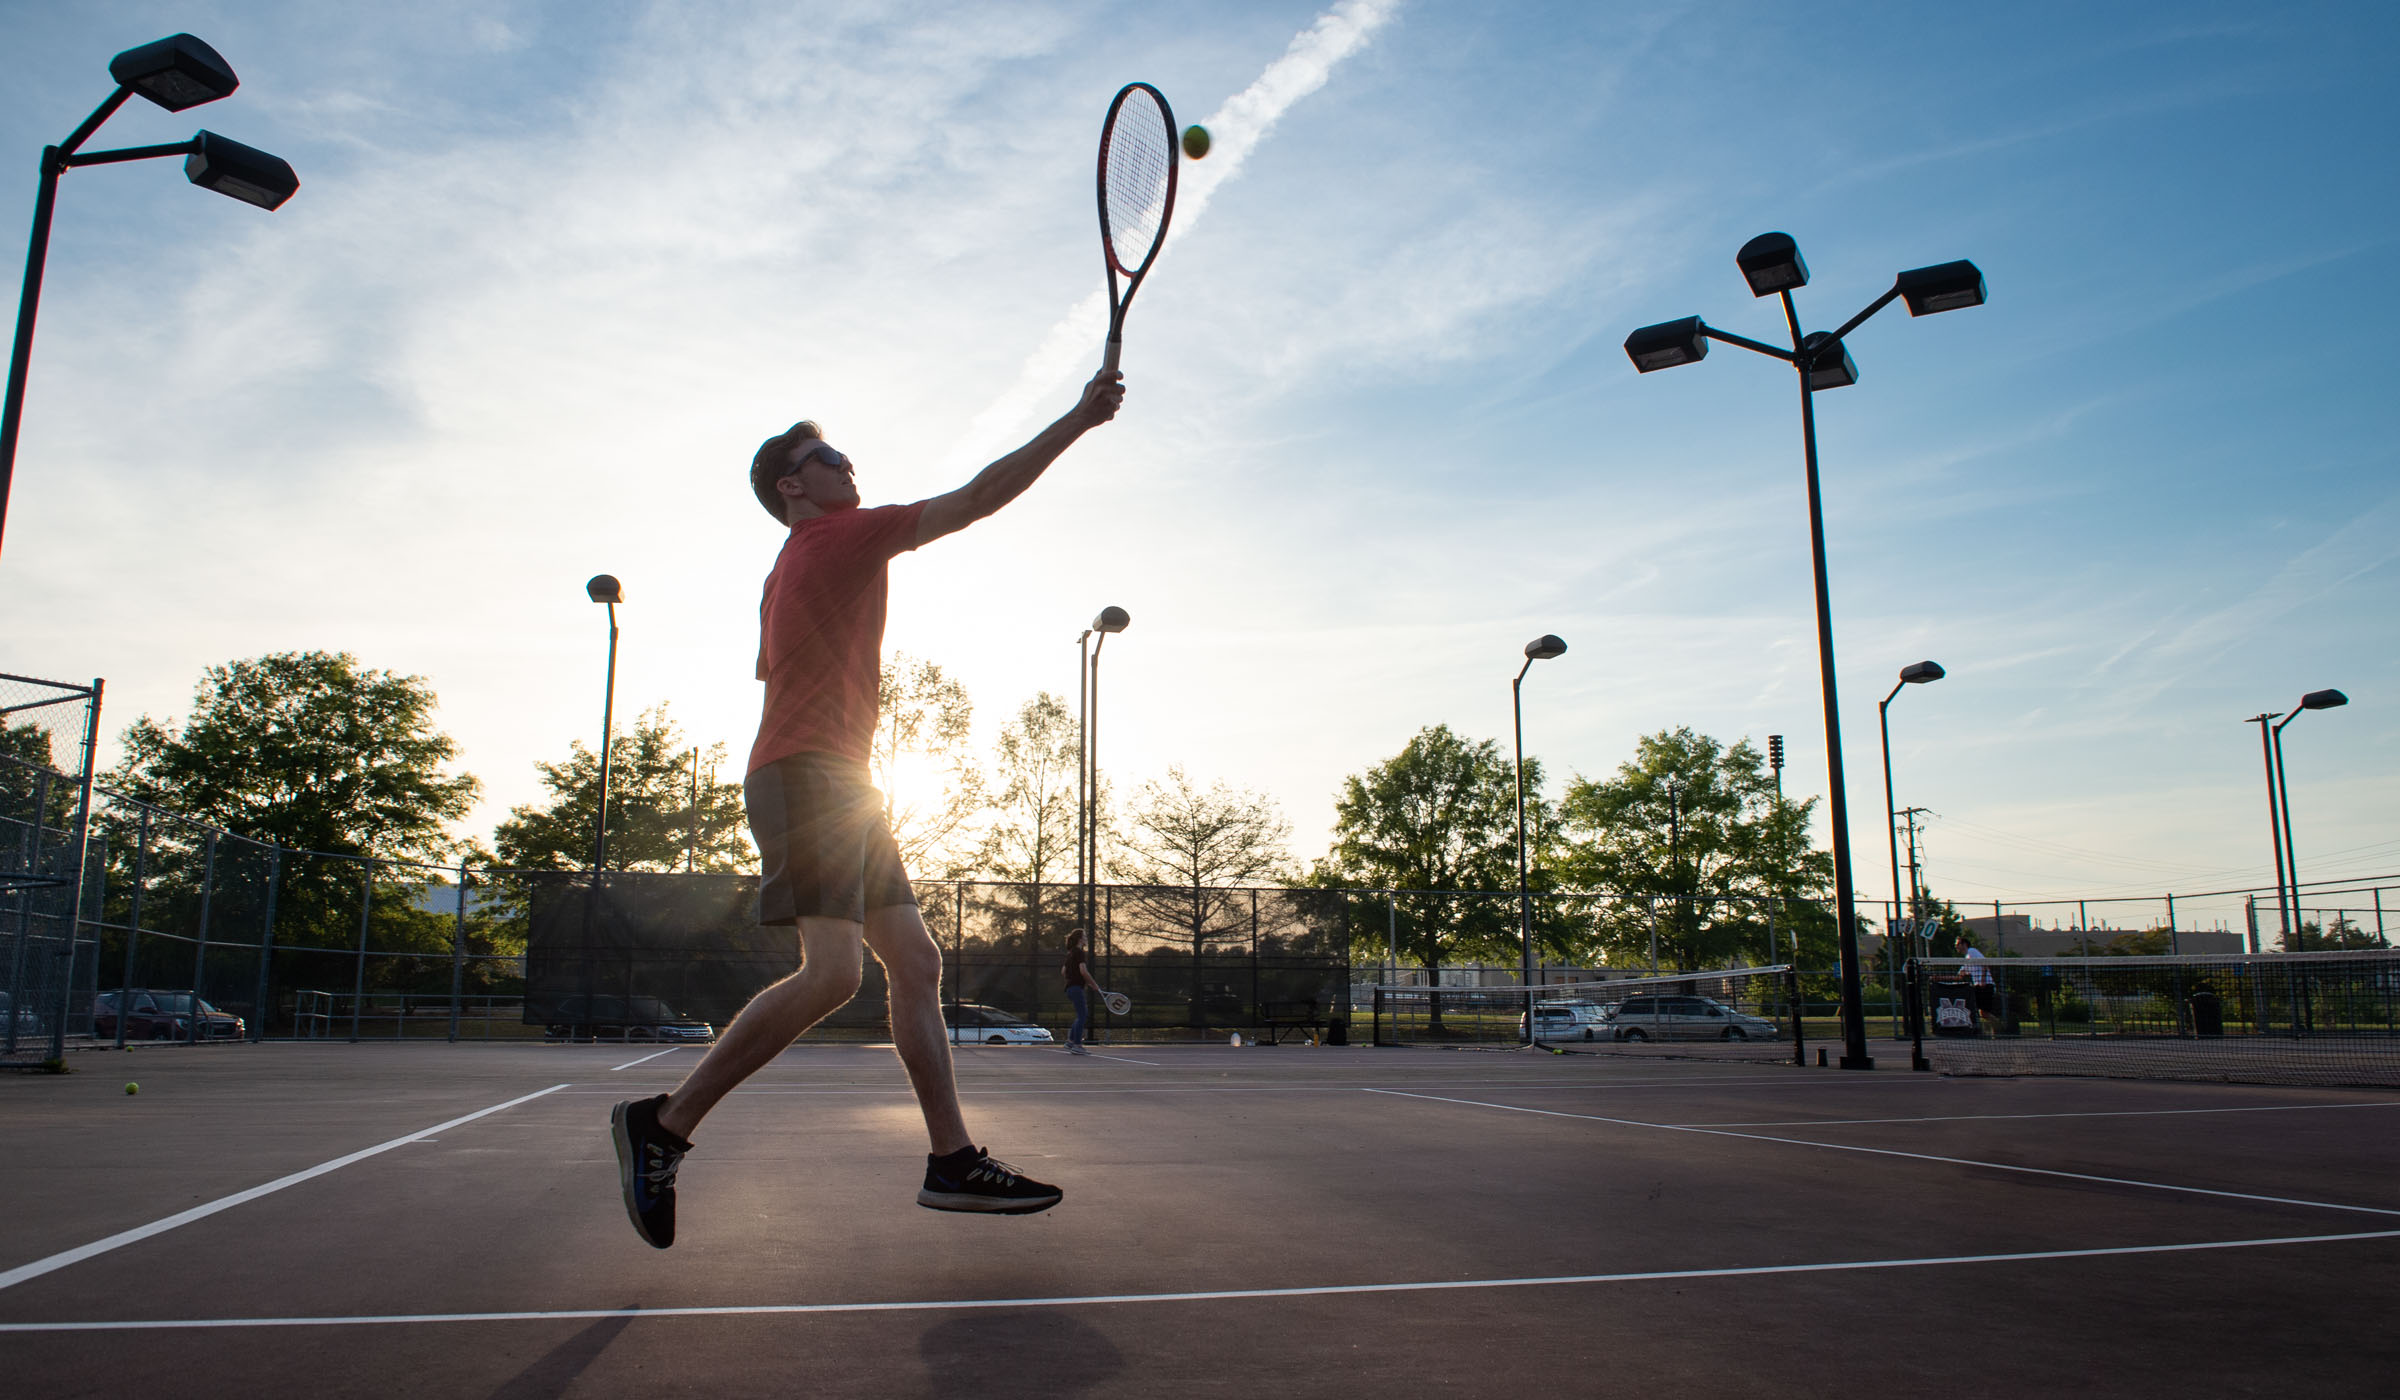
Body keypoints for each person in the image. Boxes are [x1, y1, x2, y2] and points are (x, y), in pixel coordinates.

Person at [610, 368, 1126, 1249]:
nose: (850, 464)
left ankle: (951, 1159)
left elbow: (783, 670)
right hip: (809, 775)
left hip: (837, 781)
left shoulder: (784, 571)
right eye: (828, 456)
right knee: (835, 974)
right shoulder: (835, 538)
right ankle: (663, 1125)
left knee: (915, 961)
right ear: (791, 485)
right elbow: (976, 499)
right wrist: (1078, 419)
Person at [1062, 928, 1105, 1055]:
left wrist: (1075, 978)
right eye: (1085, 936)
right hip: (1076, 988)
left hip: (1070, 988)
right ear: (1080, 939)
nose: (1086, 938)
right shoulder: (1079, 953)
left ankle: (1070, 1042)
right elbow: (1083, 971)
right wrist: (1094, 984)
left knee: (1081, 1015)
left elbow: (1063, 971)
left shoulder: (1070, 953)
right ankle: (1077, 1045)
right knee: (1082, 1016)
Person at [1960, 935, 2002, 1035]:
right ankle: (1998, 1030)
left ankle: (2000, 1029)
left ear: (1964, 944)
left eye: (1958, 944)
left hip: (1986, 985)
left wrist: (1983, 980)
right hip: (1978, 987)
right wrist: (1938, 978)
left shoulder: (1972, 951)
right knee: (1982, 1013)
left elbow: (1984, 963)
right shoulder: (1966, 959)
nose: (1956, 946)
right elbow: (1960, 975)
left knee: (1984, 1013)